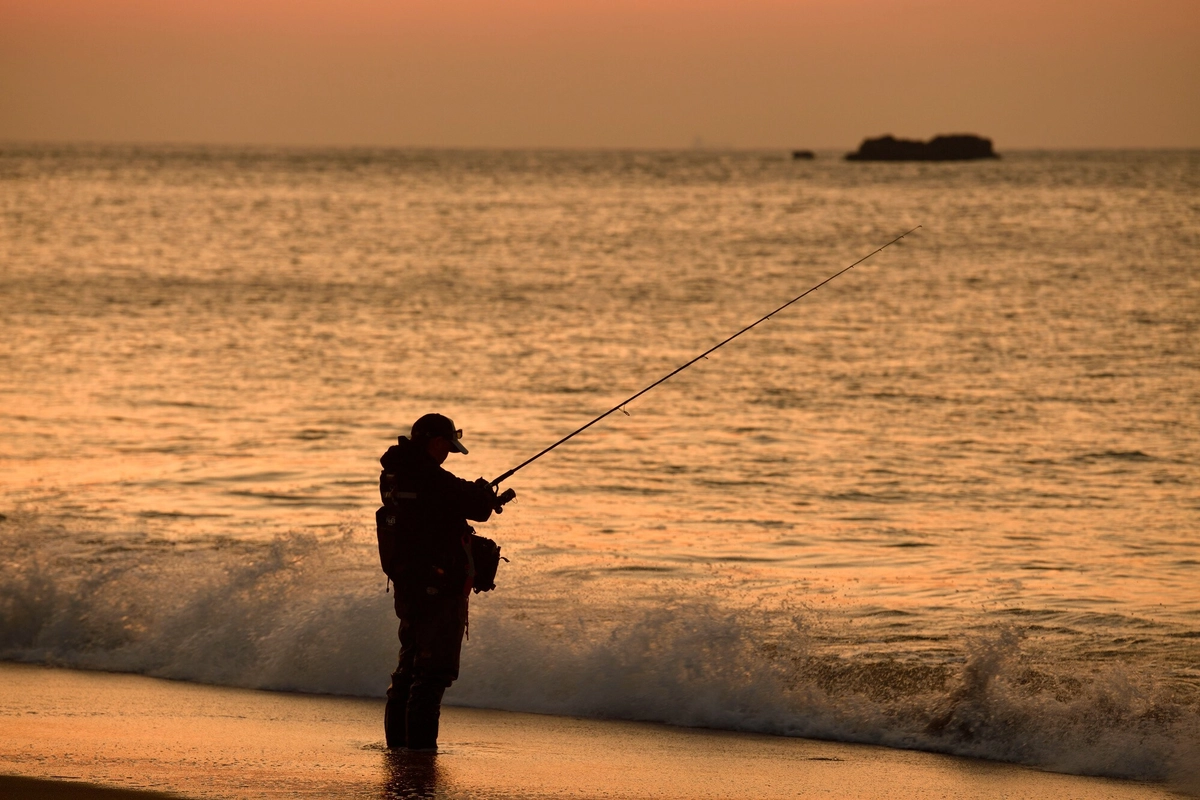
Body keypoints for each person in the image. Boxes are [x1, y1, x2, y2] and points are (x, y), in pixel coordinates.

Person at [375, 413, 510, 751]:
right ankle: (419, 756)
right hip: (439, 590)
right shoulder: (429, 478)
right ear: (435, 443)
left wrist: (476, 494)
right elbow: (476, 507)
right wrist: (484, 494)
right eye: (447, 447)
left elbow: (449, 497)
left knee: (408, 670)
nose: (448, 453)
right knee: (432, 675)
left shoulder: (393, 474)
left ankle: (399, 752)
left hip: (409, 585)